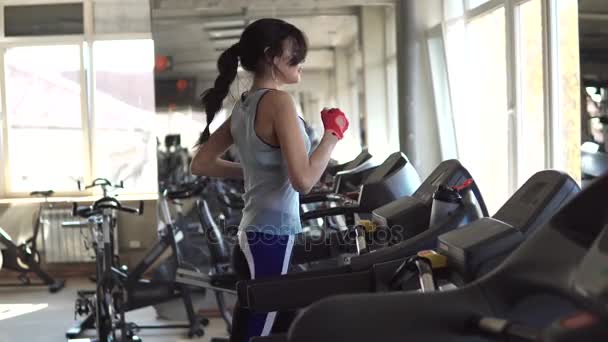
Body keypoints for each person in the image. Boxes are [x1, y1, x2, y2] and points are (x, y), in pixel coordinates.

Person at [189, 18, 349, 341]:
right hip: (269, 239)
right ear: (272, 56)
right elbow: (303, 180)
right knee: (255, 334)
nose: (301, 63)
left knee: (272, 325)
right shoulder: (279, 103)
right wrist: (332, 136)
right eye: (295, 55)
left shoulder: (243, 107)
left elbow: (200, 163)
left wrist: (255, 172)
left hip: (256, 234)